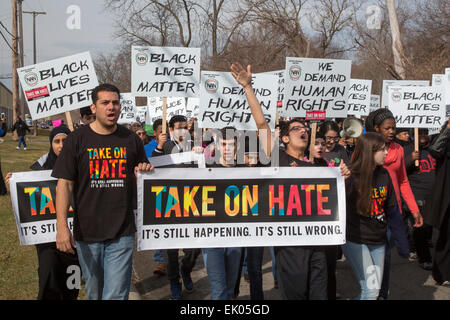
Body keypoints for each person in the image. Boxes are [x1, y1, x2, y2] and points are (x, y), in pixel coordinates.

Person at [230, 62, 350, 300]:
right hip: (290, 246)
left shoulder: (322, 165)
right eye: (296, 128)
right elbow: (262, 125)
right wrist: (247, 87)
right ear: (284, 138)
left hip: (320, 245)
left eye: (305, 127)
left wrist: (343, 173)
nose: (303, 130)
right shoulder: (278, 159)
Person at [52, 83, 153, 300]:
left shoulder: (131, 139)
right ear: (94, 107)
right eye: (105, 103)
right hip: (87, 233)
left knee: (115, 295)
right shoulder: (77, 140)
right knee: (94, 292)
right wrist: (61, 227)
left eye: (115, 103)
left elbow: (142, 176)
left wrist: (143, 171)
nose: (111, 107)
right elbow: (64, 184)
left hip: (122, 232)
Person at [6, 126, 80, 300]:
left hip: (75, 239)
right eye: (57, 141)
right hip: (47, 240)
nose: (61, 145)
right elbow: (29, 196)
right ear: (51, 144)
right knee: (49, 275)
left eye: (66, 141)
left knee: (72, 282)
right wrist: (14, 185)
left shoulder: (81, 165)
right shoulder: (42, 166)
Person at [365, 108, 423, 299]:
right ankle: (370, 291)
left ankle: (382, 294)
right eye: (387, 128)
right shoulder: (366, 146)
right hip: (371, 211)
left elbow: (403, 181)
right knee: (372, 258)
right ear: (376, 128)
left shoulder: (398, 149)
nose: (391, 131)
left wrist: (414, 209)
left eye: (394, 128)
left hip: (392, 211)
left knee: (386, 256)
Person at [343, 132, 409, 300]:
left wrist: (402, 241)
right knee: (371, 291)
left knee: (374, 291)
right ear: (369, 151)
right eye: (382, 150)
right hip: (356, 239)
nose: (386, 153)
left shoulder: (384, 174)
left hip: (378, 240)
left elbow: (392, 210)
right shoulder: (350, 175)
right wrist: (343, 180)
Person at [423, 119, 450, 285]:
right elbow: (434, 150)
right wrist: (448, 129)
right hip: (447, 193)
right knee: (447, 234)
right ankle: (443, 273)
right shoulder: (446, 135)